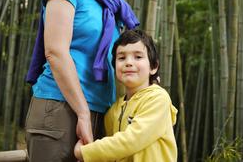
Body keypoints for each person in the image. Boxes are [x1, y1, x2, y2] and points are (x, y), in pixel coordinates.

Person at [25, 0, 139, 162]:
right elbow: (55, 52)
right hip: (60, 107)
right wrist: (83, 113)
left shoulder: (113, 1)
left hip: (100, 109)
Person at [74, 29, 178, 162]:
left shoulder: (158, 99)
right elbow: (113, 154)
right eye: (122, 58)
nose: (129, 62)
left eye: (138, 57)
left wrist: (84, 152)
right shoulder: (113, 111)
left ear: (154, 67)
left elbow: (132, 140)